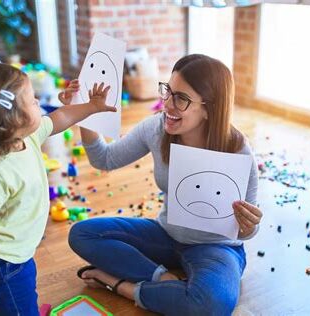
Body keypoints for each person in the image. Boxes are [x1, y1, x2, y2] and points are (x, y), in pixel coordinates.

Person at [67, 54, 263, 315]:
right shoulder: (157, 129)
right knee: (81, 234)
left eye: (181, 98)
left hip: (216, 248)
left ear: (209, 107)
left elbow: (245, 232)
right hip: (166, 235)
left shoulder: (238, 150)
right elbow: (104, 158)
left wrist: (250, 225)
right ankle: (162, 280)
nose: (167, 104)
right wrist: (86, 112)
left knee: (212, 305)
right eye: (168, 91)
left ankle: (120, 285)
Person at [0, 63, 113, 316]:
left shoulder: (27, 138)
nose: (37, 101)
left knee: (22, 295)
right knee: (14, 305)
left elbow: (61, 118)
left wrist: (92, 106)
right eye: (31, 100)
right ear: (11, 121)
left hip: (20, 252)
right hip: (2, 261)